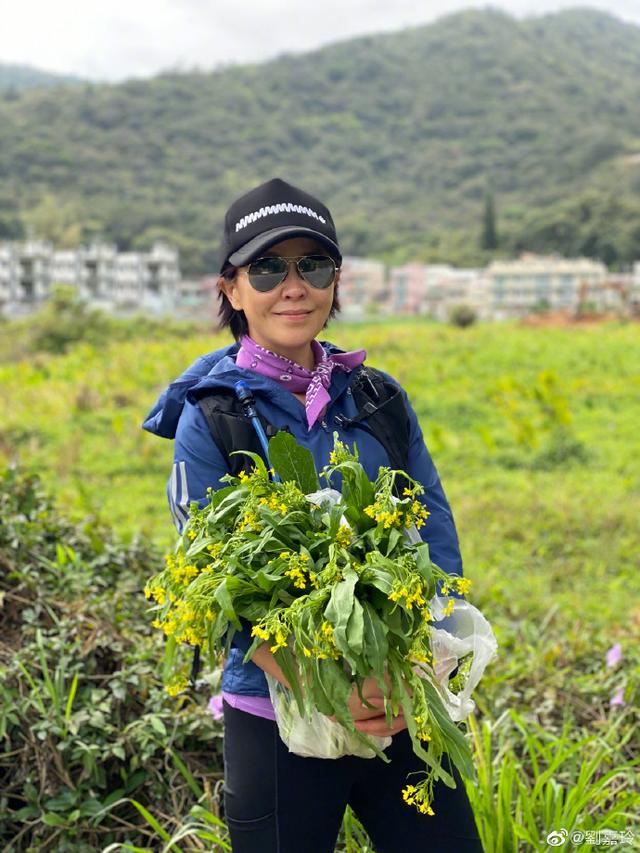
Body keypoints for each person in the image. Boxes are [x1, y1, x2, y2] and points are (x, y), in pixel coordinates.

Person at [143, 177, 481, 852]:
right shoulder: (213, 418)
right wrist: (325, 679)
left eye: (312, 264)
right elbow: (218, 581)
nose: (292, 286)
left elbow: (435, 538)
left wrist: (408, 665)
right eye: (267, 267)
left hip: (397, 698)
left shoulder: (378, 398)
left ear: (334, 281)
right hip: (276, 712)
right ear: (231, 289)